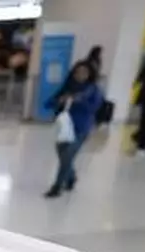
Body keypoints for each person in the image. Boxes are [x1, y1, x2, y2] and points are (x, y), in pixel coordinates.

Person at [45, 62, 102, 198]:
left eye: (84, 72)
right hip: (64, 127)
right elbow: (48, 103)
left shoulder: (93, 90)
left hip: (81, 128)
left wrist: (79, 100)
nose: (80, 75)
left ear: (89, 75)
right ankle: (71, 176)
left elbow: (94, 108)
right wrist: (60, 100)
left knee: (67, 155)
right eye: (77, 72)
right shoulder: (67, 87)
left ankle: (57, 186)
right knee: (63, 154)